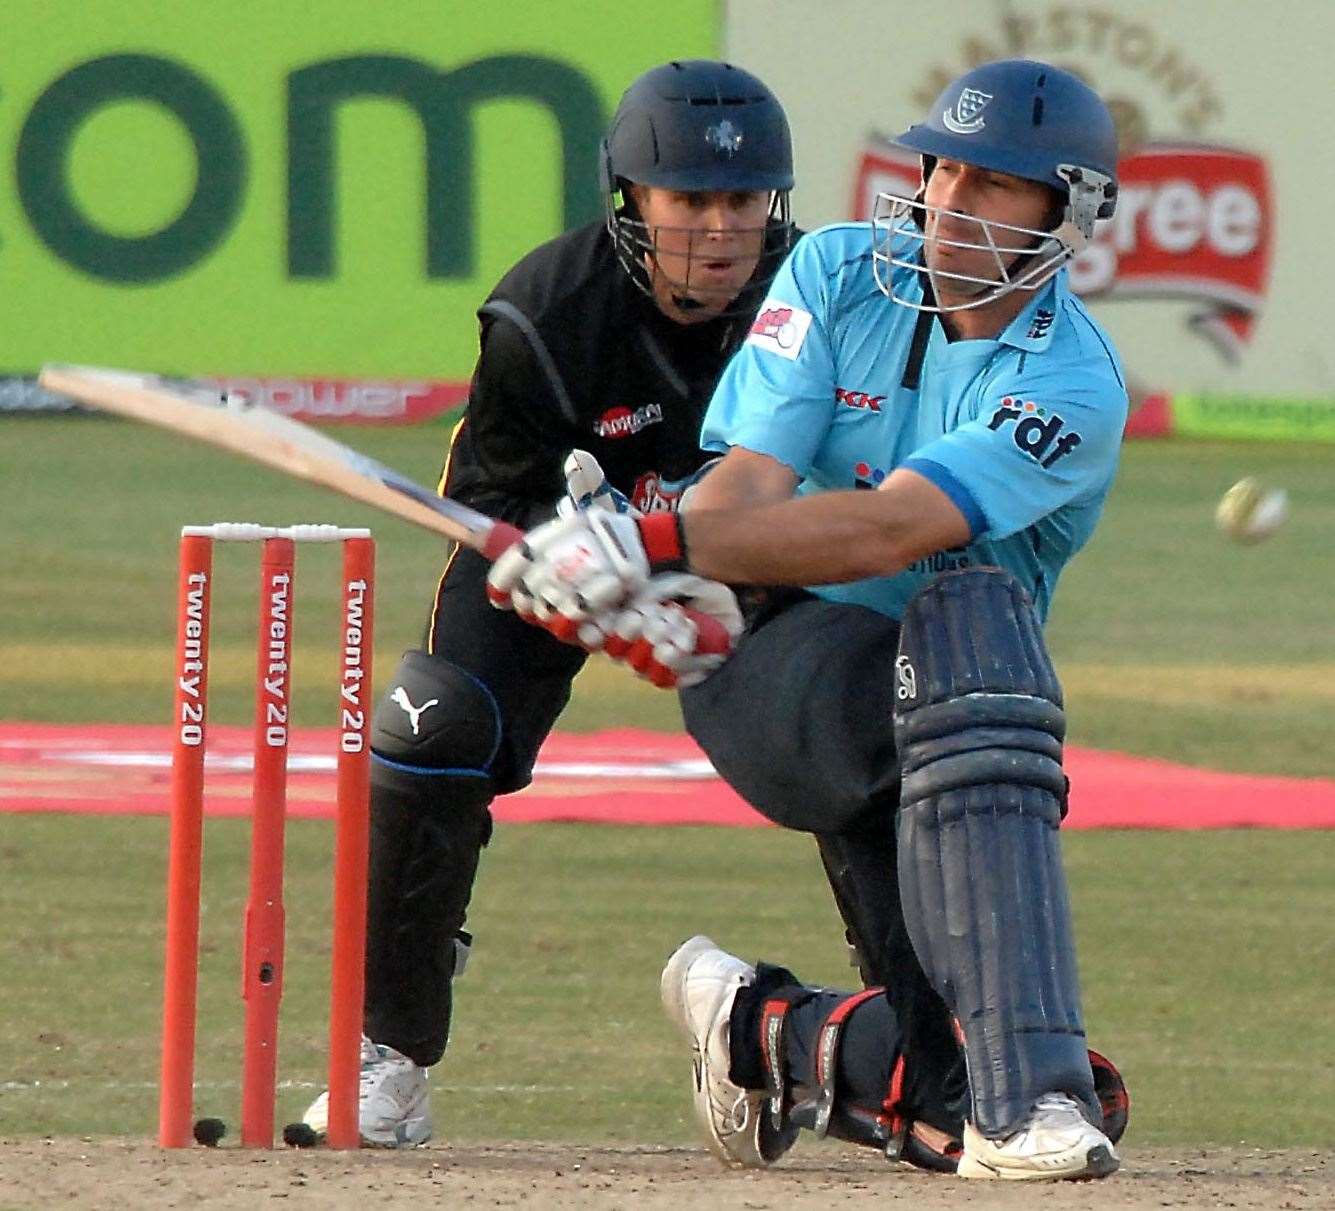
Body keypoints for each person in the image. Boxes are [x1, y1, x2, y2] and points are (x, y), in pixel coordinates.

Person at [488, 59, 1130, 1181]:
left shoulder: (1075, 386)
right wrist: (639, 556)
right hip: (775, 662)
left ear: (1065, 212)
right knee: (973, 632)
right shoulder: (837, 271)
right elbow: (747, 489)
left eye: (996, 186)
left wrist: (651, 540)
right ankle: (1032, 1091)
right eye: (944, 173)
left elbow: (894, 529)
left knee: (961, 1104)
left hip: (950, 742)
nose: (949, 205)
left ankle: (759, 1029)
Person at [297, 59, 796, 1147]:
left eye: (744, 201)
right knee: (430, 720)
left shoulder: (819, 302)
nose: (720, 230)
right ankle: (386, 1055)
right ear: (631, 204)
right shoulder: (544, 311)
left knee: (878, 715)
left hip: (754, 557)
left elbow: (845, 492)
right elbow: (483, 495)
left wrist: (733, 584)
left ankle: (931, 1040)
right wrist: (555, 562)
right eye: (690, 202)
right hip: (561, 550)